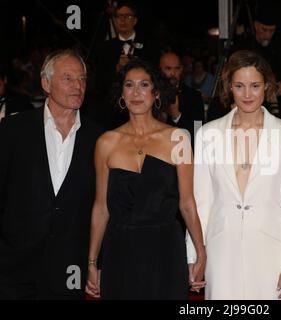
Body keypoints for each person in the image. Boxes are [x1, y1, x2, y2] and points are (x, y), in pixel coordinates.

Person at [85, 59, 206, 300]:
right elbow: (101, 208)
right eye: (129, 85)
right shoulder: (106, 143)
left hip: (165, 248)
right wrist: (92, 261)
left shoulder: (178, 138)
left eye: (144, 84)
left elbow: (187, 203)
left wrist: (200, 254)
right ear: (122, 94)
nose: (136, 92)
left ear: (156, 93)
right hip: (120, 249)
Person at [194, 50, 281, 300]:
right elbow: (201, 202)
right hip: (221, 250)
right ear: (229, 87)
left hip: (272, 252)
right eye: (239, 86)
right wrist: (193, 255)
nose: (247, 94)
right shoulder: (208, 134)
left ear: (266, 86)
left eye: (255, 86)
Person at [0, 49, 103, 299]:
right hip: (14, 266)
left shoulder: (99, 138)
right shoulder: (13, 129)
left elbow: (103, 205)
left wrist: (95, 263)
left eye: (82, 79)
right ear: (46, 83)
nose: (77, 86)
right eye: (68, 78)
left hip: (71, 267)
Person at [93, 1, 160, 129]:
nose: (123, 20)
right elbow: (99, 84)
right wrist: (116, 69)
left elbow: (156, 78)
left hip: (143, 109)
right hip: (113, 113)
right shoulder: (104, 49)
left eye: (127, 16)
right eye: (119, 16)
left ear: (135, 20)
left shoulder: (150, 47)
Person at [159, 51, 205, 144]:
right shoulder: (149, 94)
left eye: (177, 68)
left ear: (181, 70)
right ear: (159, 70)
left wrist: (177, 115)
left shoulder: (194, 96)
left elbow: (198, 134)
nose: (173, 73)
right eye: (168, 69)